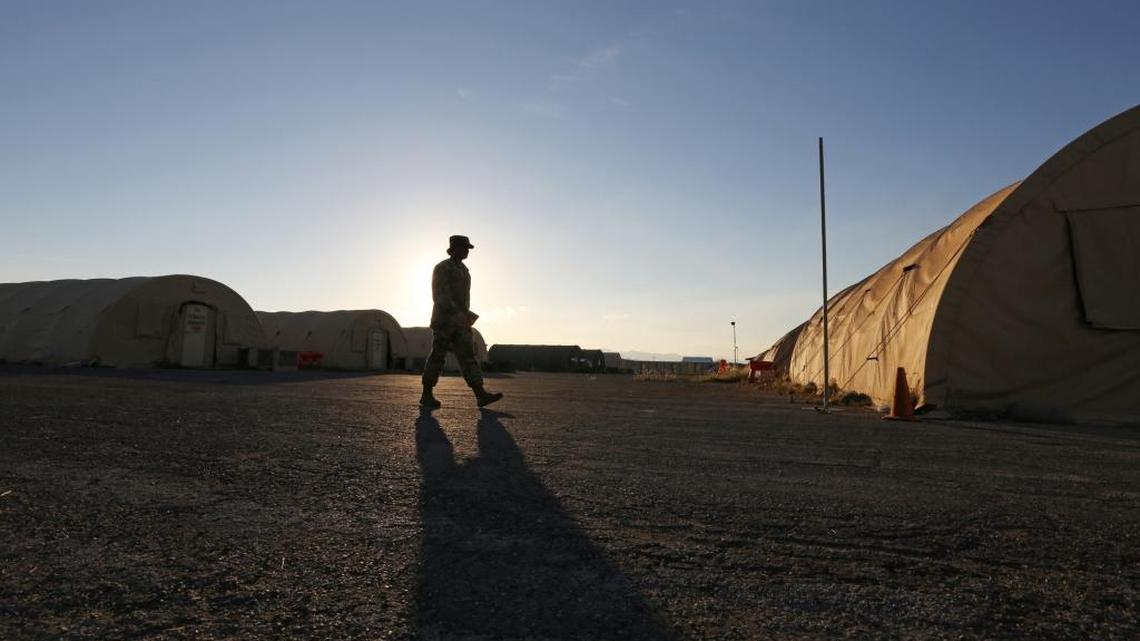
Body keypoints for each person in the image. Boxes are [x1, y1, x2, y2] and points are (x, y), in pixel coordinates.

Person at [420, 235, 504, 409]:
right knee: (438, 356)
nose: (467, 251)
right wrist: (455, 312)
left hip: (461, 321)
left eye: (468, 248)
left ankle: (480, 394)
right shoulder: (443, 267)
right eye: (464, 248)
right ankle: (426, 394)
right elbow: (439, 295)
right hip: (444, 320)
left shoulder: (464, 270)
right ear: (454, 248)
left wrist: (464, 316)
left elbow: (464, 299)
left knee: (468, 357)